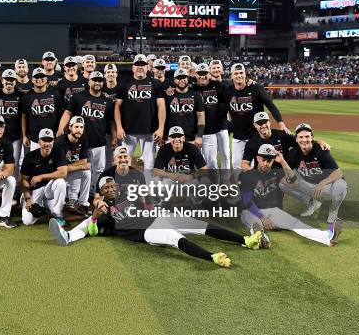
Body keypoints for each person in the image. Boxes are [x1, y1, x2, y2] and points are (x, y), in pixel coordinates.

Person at [49, 176, 262, 268]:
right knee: (176, 239)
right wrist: (95, 215)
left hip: (157, 217)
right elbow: (93, 230)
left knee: (198, 225)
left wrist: (147, 201)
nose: (111, 189)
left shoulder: (128, 193)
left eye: (112, 185)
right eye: (106, 188)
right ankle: (212, 258)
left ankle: (246, 240)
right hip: (145, 233)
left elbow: (147, 201)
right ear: (101, 191)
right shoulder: (103, 209)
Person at [239, 144, 343, 247]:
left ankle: (328, 236)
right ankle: (261, 238)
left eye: (269, 160)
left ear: (273, 160)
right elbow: (247, 201)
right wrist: (262, 217)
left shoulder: (277, 172)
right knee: (256, 223)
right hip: (250, 211)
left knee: (295, 224)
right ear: (258, 158)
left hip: (273, 211)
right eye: (263, 160)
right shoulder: (247, 175)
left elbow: (293, 180)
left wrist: (283, 162)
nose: (266, 163)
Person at [221, 63, 287, 171]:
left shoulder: (256, 88)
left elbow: (271, 106)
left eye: (241, 73)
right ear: (231, 76)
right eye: (236, 73)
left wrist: (281, 123)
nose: (239, 76)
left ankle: (254, 187)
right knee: (237, 165)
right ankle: (240, 186)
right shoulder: (228, 92)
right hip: (238, 136)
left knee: (255, 165)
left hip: (255, 136)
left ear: (245, 74)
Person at [58, 71, 114, 193]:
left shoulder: (107, 101)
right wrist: (61, 127)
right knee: (77, 168)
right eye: (94, 80)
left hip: (99, 142)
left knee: (99, 169)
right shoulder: (78, 97)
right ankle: (72, 193)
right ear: (89, 81)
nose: (97, 82)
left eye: (99, 80)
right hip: (79, 142)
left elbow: (110, 122)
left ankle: (91, 191)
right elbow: (68, 113)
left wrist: (114, 137)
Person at [281, 123, 348, 223]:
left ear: (312, 137)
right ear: (296, 139)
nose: (304, 140)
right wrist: (289, 179)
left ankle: (333, 212)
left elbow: (338, 173)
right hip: (310, 185)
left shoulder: (321, 150)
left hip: (327, 185)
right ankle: (312, 203)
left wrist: (323, 183)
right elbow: (288, 174)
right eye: (301, 137)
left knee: (341, 185)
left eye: (307, 136)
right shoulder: (293, 154)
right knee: (283, 183)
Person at [115, 54, 166, 183]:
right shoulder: (124, 83)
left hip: (150, 131)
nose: (140, 67)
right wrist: (119, 127)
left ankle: (148, 193)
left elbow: (161, 106)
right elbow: (117, 107)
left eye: (142, 64)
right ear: (133, 67)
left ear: (147, 67)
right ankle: (123, 191)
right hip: (128, 132)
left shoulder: (155, 83)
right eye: (137, 65)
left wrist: (161, 128)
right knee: (123, 163)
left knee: (149, 165)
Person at [241, 112, 330, 170]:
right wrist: (253, 173)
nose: (263, 125)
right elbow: (244, 164)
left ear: (269, 122)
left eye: (265, 122)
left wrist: (319, 142)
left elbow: (302, 141)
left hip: (283, 171)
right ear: (255, 125)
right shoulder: (251, 143)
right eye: (260, 123)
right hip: (264, 172)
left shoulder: (282, 135)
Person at [20, 128, 68, 226]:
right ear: (39, 142)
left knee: (60, 182)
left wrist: (41, 177)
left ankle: (58, 215)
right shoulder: (30, 157)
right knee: (27, 221)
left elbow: (63, 173)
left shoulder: (58, 151)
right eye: (44, 140)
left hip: (49, 190)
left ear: (53, 141)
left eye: (50, 140)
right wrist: (28, 198)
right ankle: (28, 200)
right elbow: (23, 180)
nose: (47, 143)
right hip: (35, 190)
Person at [192, 63, 230, 170]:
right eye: (200, 74)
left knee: (221, 156)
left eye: (205, 73)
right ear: (196, 74)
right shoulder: (193, 87)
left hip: (218, 127)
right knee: (202, 160)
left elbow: (231, 91)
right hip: (200, 129)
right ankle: (205, 181)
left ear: (209, 74)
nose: (202, 76)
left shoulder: (218, 85)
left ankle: (224, 180)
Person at [0, 69, 23, 188]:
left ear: (15, 81)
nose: (9, 82)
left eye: (12, 80)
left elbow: (24, 116)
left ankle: (11, 191)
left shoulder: (21, 95)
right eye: (6, 80)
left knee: (13, 165)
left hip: (15, 137)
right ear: (2, 81)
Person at [20, 67, 64, 152]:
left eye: (42, 77)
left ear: (46, 79)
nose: (39, 79)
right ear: (32, 80)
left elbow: (61, 114)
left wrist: (61, 129)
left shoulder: (55, 94)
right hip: (35, 139)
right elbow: (24, 117)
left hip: (54, 137)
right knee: (35, 163)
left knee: (54, 163)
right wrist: (25, 136)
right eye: (36, 77)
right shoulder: (27, 97)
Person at [55, 116, 91, 215]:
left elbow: (84, 161)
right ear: (70, 127)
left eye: (81, 127)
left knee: (86, 172)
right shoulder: (60, 142)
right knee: (54, 206)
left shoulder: (83, 139)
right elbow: (60, 169)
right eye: (76, 127)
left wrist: (71, 166)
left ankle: (83, 203)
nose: (79, 130)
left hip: (67, 172)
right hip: (55, 176)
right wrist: (81, 166)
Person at [164, 68, 205, 145]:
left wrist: (199, 135)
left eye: (184, 77)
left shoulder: (196, 95)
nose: (182, 80)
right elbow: (163, 117)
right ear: (174, 80)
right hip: (171, 138)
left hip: (191, 139)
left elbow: (201, 117)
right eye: (179, 78)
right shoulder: (168, 96)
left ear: (188, 78)